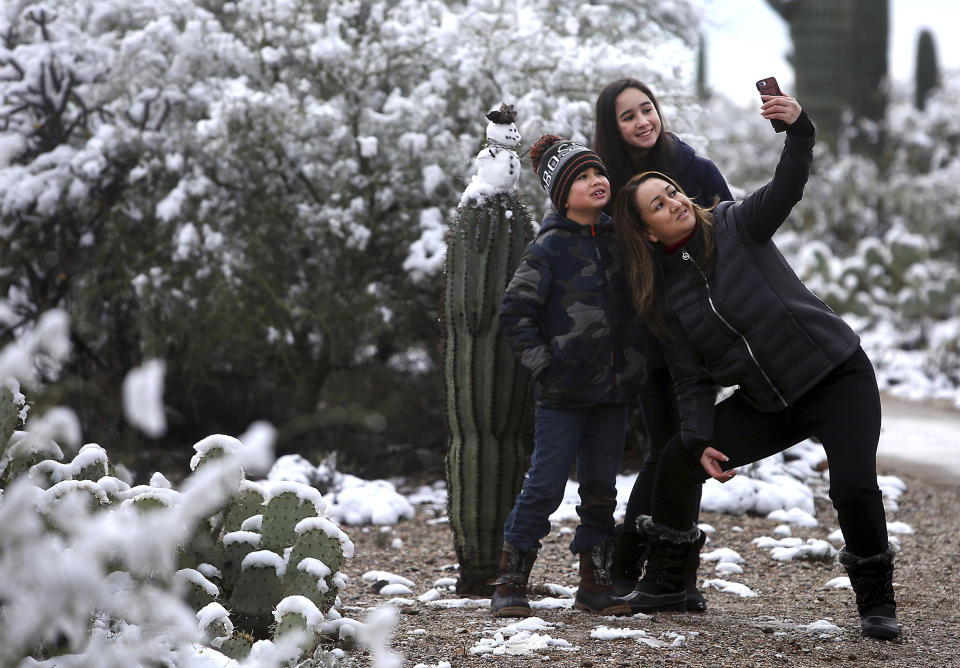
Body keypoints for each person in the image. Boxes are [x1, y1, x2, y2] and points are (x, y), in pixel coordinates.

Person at [611, 93, 899, 640]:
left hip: (836, 375)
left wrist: (799, 131)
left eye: (671, 192)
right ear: (648, 232)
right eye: (658, 205)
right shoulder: (667, 300)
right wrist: (699, 441)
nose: (673, 202)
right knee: (677, 460)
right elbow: (691, 379)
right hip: (772, 403)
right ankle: (672, 581)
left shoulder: (736, 224)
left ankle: (876, 602)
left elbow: (787, 185)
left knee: (853, 487)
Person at [593, 77, 733, 610]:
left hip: (700, 330)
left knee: (683, 446)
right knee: (670, 447)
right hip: (647, 336)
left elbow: (733, 233)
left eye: (646, 109)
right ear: (614, 128)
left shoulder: (695, 170)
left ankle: (640, 567)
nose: (642, 121)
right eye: (628, 116)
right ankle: (649, 569)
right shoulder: (607, 184)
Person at [494, 135, 646, 618]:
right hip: (562, 393)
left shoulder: (621, 240)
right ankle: (512, 580)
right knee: (545, 484)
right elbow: (515, 312)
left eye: (596, 172)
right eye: (580, 177)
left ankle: (595, 583)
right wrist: (545, 363)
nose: (595, 181)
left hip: (613, 391)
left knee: (601, 486)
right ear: (562, 193)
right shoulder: (549, 247)